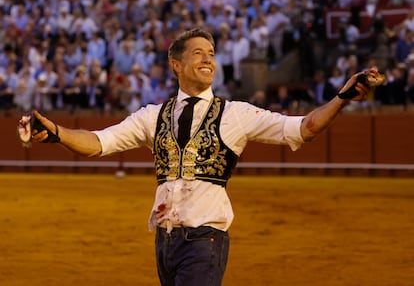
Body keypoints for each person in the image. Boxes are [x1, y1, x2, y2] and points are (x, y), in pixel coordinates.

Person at [28, 28, 374, 286]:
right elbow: (98, 142)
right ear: (175, 64)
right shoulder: (152, 116)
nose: (208, 58)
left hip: (205, 239)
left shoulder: (235, 114)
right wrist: (57, 133)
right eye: (198, 53)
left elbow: (304, 128)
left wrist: (342, 96)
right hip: (164, 240)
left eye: (211, 53)